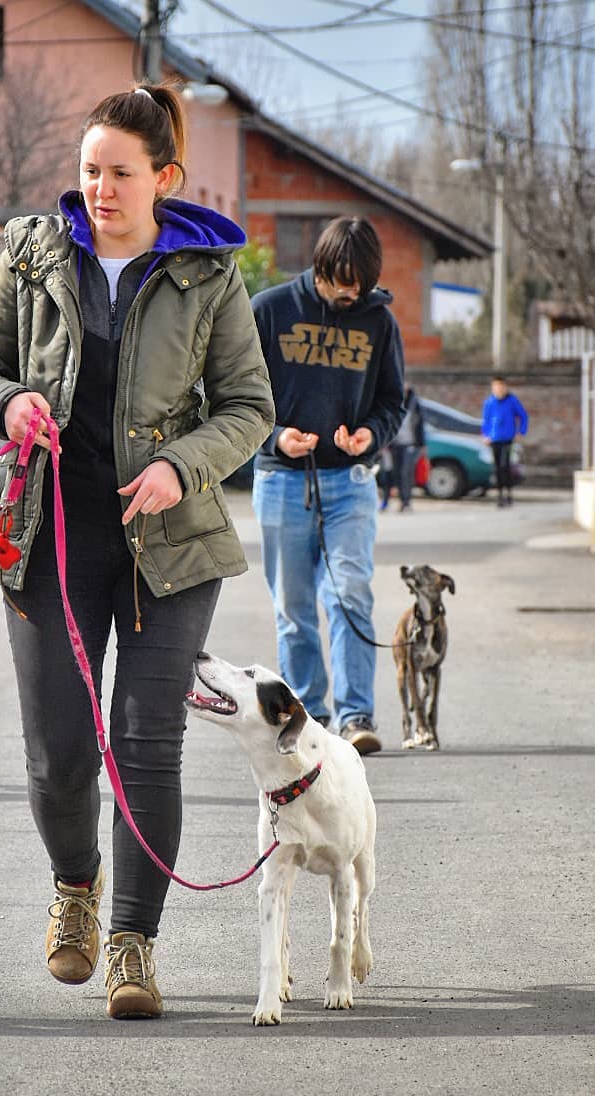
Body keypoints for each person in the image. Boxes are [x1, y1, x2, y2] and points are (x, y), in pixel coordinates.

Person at [0, 84, 273, 1020]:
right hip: (48, 534)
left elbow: (248, 407)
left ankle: (134, 943)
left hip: (168, 541)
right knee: (57, 752)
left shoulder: (210, 275)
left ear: (164, 178)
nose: (100, 188)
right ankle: (75, 891)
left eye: (121, 173)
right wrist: (7, 404)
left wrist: (183, 462)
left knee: (145, 744)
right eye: (90, 169)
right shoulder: (34, 251)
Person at [250, 216, 405, 757]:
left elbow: (393, 402)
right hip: (280, 482)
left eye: (359, 283)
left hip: (351, 483)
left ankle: (355, 715)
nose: (349, 292)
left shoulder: (378, 321)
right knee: (293, 608)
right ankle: (306, 715)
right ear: (319, 267)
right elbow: (232, 395)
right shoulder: (269, 311)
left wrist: (370, 434)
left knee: (351, 595)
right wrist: (273, 438)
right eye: (340, 279)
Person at [481, 374, 528, 506]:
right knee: (497, 468)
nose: (499, 390)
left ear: (505, 387)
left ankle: (509, 494)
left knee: (505, 466)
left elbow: (523, 416)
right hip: (494, 439)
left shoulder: (512, 401)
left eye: (501, 387)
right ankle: (500, 495)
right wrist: (485, 435)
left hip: (507, 438)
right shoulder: (489, 403)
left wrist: (521, 432)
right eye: (496, 387)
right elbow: (486, 421)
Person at [378, 384, 426, 512]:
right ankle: (385, 501)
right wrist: (383, 443)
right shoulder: (390, 401)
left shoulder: (414, 403)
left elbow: (420, 424)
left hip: (408, 444)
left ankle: (405, 502)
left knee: (405, 473)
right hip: (391, 444)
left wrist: (421, 444)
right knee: (388, 473)